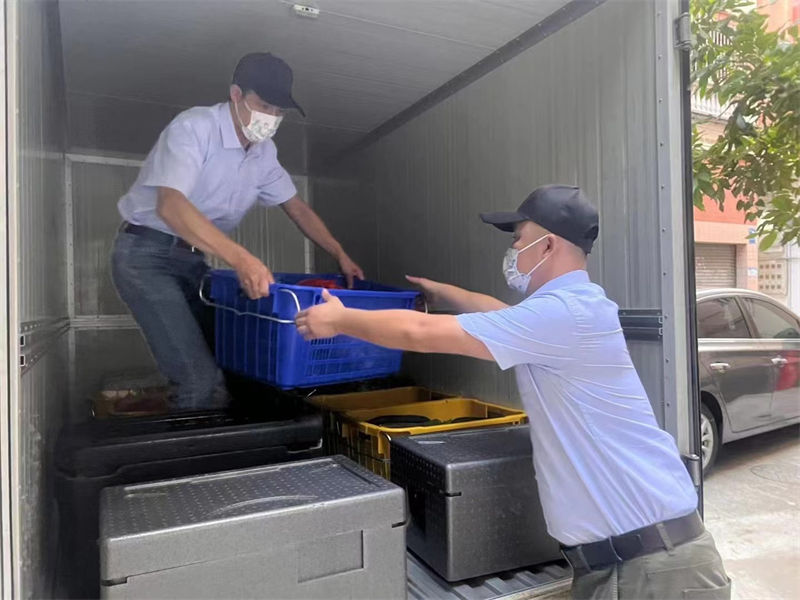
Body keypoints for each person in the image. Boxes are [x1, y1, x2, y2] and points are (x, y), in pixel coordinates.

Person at [295, 184, 731, 600]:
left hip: (652, 571)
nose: (512, 250)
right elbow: (501, 314)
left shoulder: (565, 315)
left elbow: (421, 332)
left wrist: (340, 320)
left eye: (518, 238)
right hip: (630, 565)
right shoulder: (569, 310)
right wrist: (444, 292)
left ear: (548, 246)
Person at [112, 52, 363, 412]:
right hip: (145, 257)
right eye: (264, 105)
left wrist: (339, 253)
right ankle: (191, 465)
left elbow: (297, 208)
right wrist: (241, 258)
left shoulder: (264, 154)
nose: (271, 118)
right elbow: (171, 205)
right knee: (199, 380)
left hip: (192, 261)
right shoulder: (195, 128)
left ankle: (217, 441)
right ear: (235, 94)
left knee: (231, 361)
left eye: (279, 112)